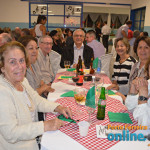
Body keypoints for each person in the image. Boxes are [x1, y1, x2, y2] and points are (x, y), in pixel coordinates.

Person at [0, 41, 72, 150]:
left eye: (21, 60)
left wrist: (57, 107)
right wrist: (44, 126)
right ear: (2, 67)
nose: (19, 66)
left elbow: (37, 100)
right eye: (12, 62)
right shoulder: (3, 92)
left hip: (33, 142)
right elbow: (11, 133)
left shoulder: (22, 81)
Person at [125, 57, 150, 127]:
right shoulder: (148, 83)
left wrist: (143, 98)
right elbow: (130, 108)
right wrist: (133, 91)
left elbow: (145, 126)